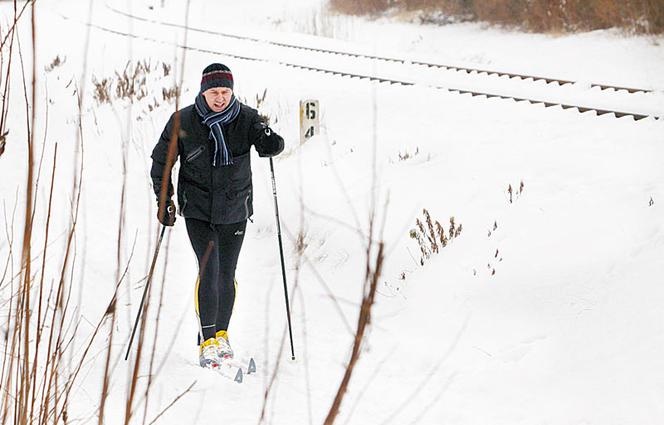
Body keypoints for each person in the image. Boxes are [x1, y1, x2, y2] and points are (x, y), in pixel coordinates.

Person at [150, 63, 284, 369]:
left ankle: (222, 334)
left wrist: (270, 141)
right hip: (197, 208)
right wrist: (164, 201)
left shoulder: (248, 118)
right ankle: (206, 339)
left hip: (235, 208)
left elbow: (271, 146)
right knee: (209, 268)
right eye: (214, 93)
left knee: (227, 272)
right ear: (203, 91)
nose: (220, 98)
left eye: (225, 92)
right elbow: (162, 163)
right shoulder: (183, 120)